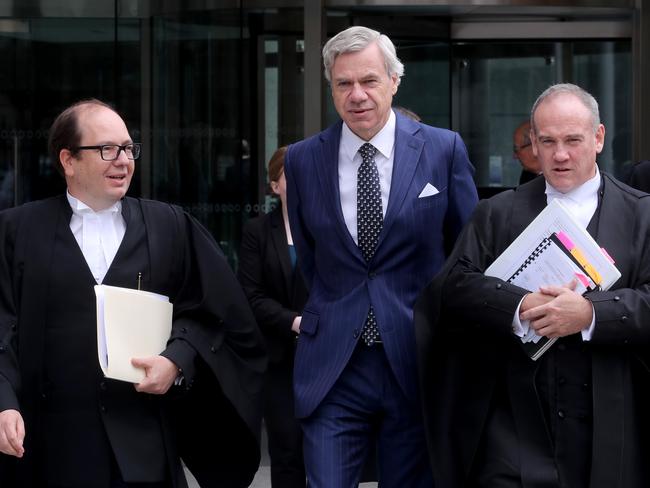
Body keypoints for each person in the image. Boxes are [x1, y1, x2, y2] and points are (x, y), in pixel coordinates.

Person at [0, 99, 267, 488]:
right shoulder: (15, 233)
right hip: (49, 451)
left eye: (128, 148)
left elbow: (219, 314)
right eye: (107, 149)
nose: (123, 160)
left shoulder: (170, 228)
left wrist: (177, 360)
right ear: (68, 160)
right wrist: (4, 402)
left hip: (144, 450)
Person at [415, 83, 650, 488]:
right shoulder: (495, 213)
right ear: (533, 144)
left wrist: (591, 314)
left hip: (613, 422)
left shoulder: (642, 215)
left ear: (598, 138)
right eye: (547, 141)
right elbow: (453, 288)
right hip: (512, 427)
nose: (560, 154)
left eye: (572, 140)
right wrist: (520, 306)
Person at [284, 25, 478, 487]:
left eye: (369, 81)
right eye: (343, 83)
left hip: (415, 359)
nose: (357, 95)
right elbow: (311, 261)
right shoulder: (302, 160)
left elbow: (465, 253)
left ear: (394, 80)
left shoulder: (442, 149)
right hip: (334, 364)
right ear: (330, 87)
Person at [238, 146, 308, 487]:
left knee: (328, 450)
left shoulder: (327, 229)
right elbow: (250, 296)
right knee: (286, 450)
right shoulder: (258, 232)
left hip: (323, 356)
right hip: (278, 359)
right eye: (289, 176)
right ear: (274, 185)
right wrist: (295, 322)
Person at [513, 120, 541, 184]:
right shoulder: (527, 176)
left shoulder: (563, 174)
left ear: (535, 146)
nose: (515, 156)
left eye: (516, 149)